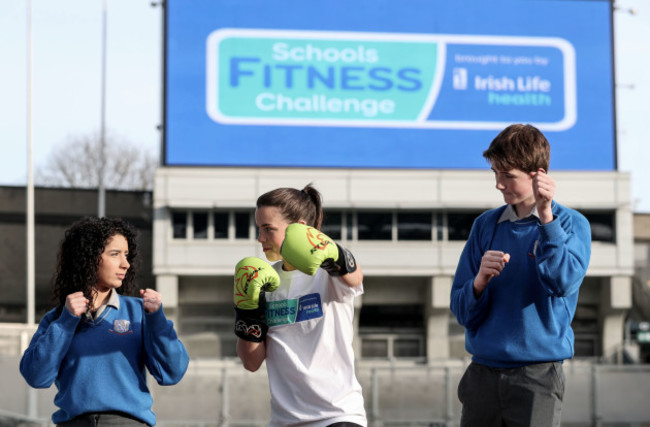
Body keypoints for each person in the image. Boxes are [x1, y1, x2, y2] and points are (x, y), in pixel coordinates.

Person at [450, 124, 591, 427]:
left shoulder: (572, 225)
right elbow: (461, 311)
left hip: (537, 378)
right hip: (481, 375)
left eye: (508, 175)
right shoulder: (485, 226)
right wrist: (479, 283)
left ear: (538, 175)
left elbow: (561, 282)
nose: (499, 185)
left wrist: (546, 219)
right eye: (496, 175)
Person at [20, 217, 189, 427]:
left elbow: (172, 372)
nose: (125, 264)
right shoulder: (57, 319)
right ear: (89, 258)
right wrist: (66, 322)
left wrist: (157, 320)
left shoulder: (140, 312)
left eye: (126, 255)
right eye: (115, 254)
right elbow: (36, 377)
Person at [233, 184, 367, 427]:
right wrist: (247, 310)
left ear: (300, 229)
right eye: (259, 229)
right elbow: (251, 362)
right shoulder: (263, 280)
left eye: (268, 229)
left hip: (338, 415)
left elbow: (356, 277)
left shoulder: (326, 275)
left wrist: (331, 251)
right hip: (285, 420)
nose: (260, 238)